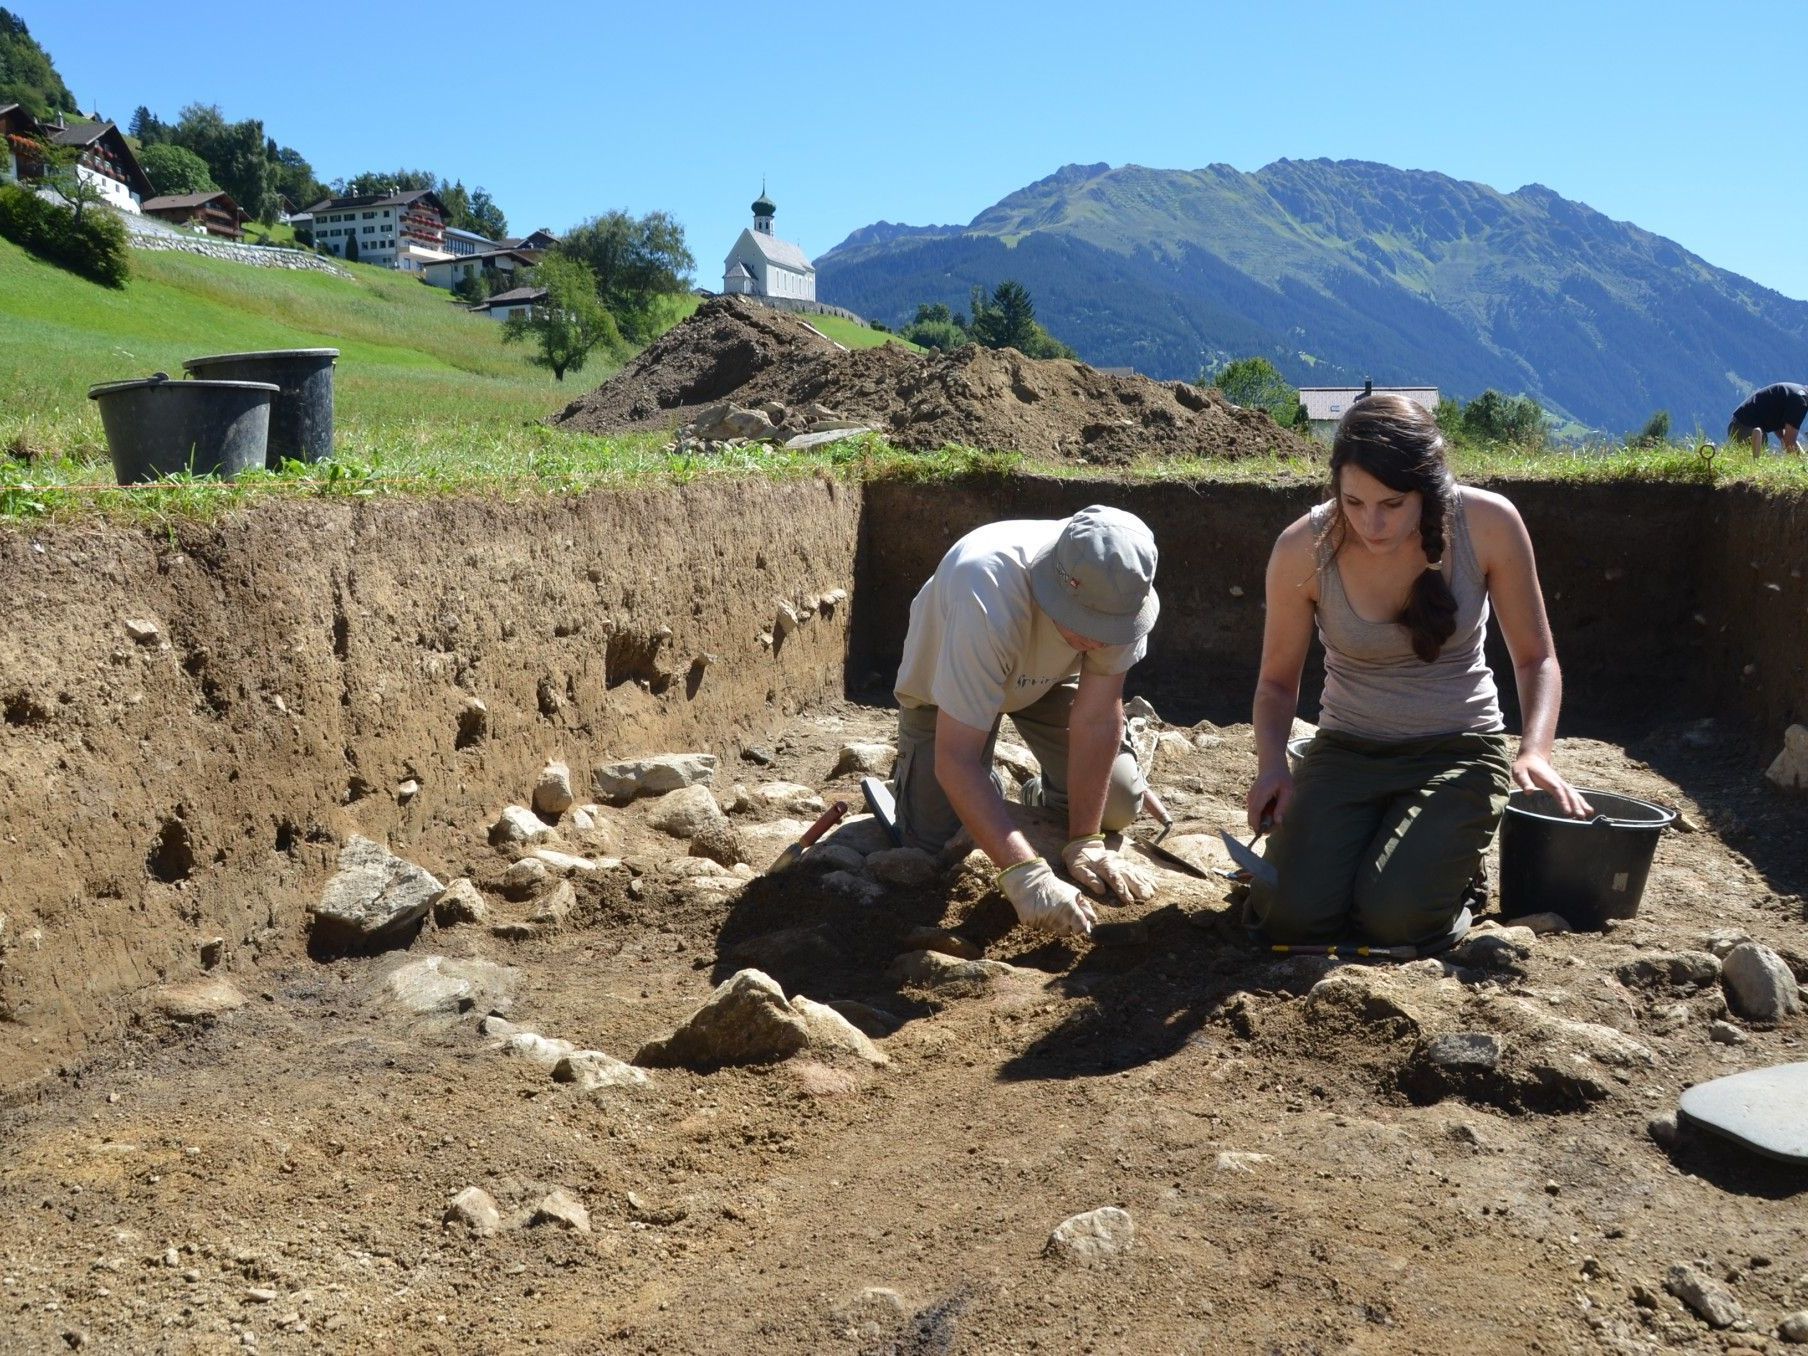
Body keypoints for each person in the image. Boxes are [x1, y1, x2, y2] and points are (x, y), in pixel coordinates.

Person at [1243, 394, 1591, 950]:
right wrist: (1272, 768)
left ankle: (1459, 879)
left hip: (1459, 752)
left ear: (1428, 489)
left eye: (1392, 503)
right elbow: (1277, 683)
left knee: (1395, 921)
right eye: (1353, 502)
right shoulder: (1302, 547)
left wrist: (1535, 751)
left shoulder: (1488, 523)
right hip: (1346, 751)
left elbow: (1537, 659)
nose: (1371, 523)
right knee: (1288, 915)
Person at [892, 505, 1161, 937]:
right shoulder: (984, 594)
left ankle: (1034, 794)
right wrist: (1025, 874)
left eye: (1106, 627)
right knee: (933, 841)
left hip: (1046, 682)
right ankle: (964, 785)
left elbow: (1096, 717)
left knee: (1119, 801)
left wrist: (1086, 840)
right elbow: (956, 758)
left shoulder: (1121, 591)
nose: (1097, 639)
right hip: (947, 687)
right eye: (1086, 623)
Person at [1727, 382, 1807, 456]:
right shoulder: (1800, 402)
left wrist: (1785, 441)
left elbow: (1778, 424)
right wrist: (1801, 463)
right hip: (1748, 429)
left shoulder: (1798, 392)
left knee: (1751, 460)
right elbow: (1789, 441)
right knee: (1757, 462)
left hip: (1737, 425)